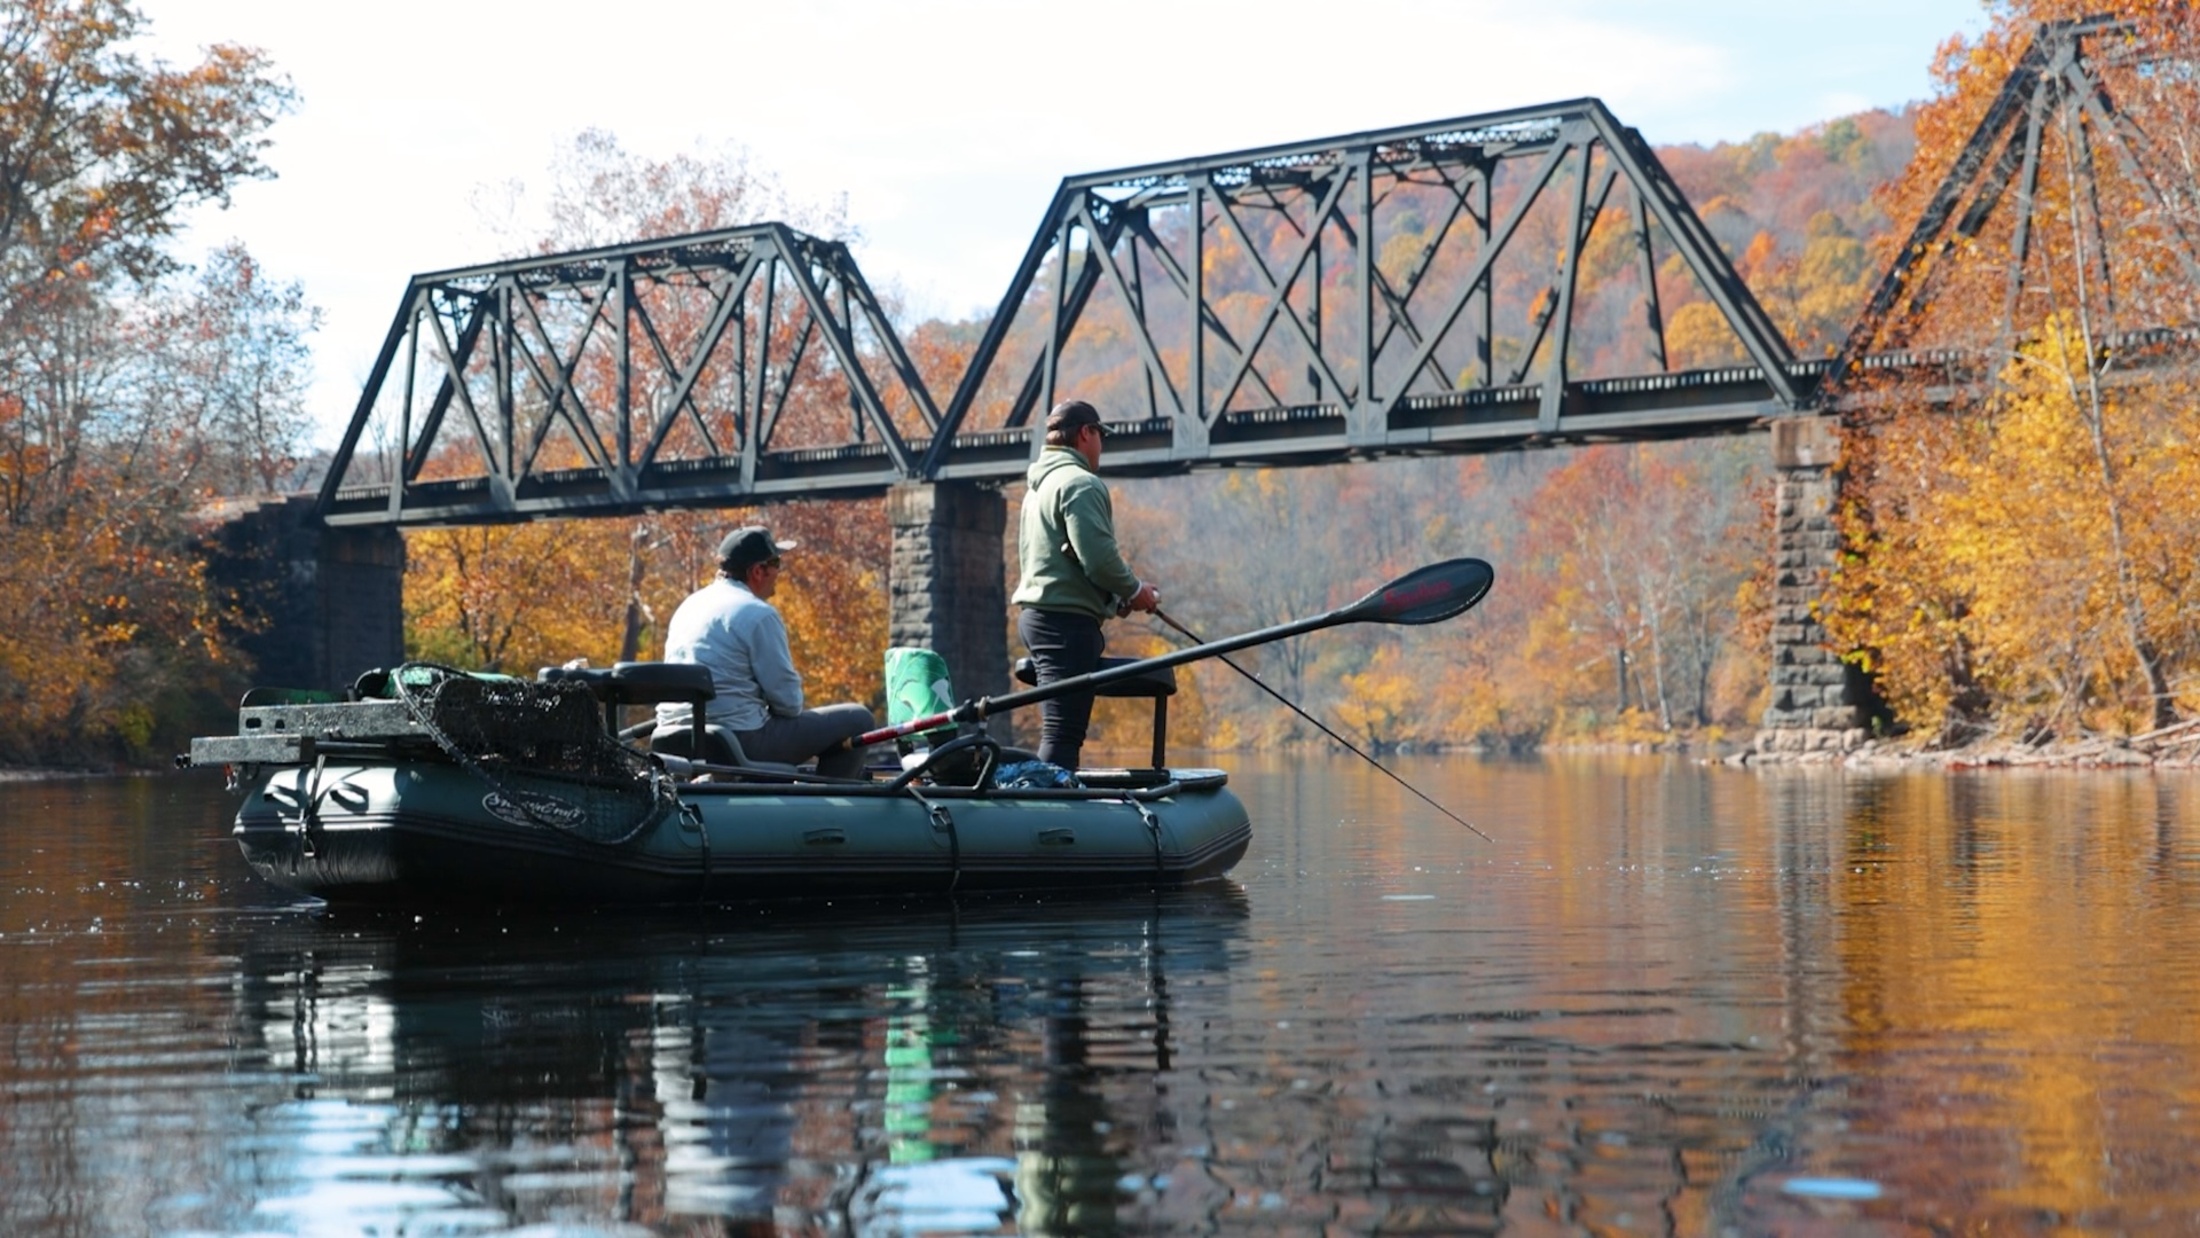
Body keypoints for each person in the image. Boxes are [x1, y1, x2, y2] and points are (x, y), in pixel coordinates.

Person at [655, 526, 876, 778]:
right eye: (777, 562)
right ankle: (837, 806)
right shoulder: (758, 613)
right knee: (858, 719)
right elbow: (789, 704)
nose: (779, 572)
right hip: (736, 742)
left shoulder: (689, 605)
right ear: (757, 571)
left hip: (674, 738)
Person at [1011, 399, 1160, 771]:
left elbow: (1066, 563)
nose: (1102, 447)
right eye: (1100, 436)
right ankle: (1049, 821)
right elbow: (1100, 560)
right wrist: (1135, 590)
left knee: (1061, 731)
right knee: (1063, 736)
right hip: (1065, 627)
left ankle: (1050, 810)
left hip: (1040, 620)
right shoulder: (1081, 484)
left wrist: (1115, 601)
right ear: (1085, 433)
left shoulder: (1039, 488)